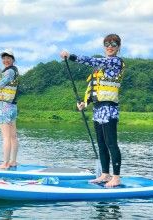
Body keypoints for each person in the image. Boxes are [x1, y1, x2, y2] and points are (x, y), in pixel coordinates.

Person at [60, 34, 125, 187]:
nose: (110, 46)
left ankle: (116, 177)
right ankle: (105, 174)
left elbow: (94, 60)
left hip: (109, 109)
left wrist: (71, 57)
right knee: (101, 144)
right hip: (97, 110)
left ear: (118, 47)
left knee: (111, 143)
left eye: (114, 44)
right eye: (107, 44)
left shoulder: (116, 62)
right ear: (104, 46)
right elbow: (92, 88)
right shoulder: (98, 70)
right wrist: (85, 103)